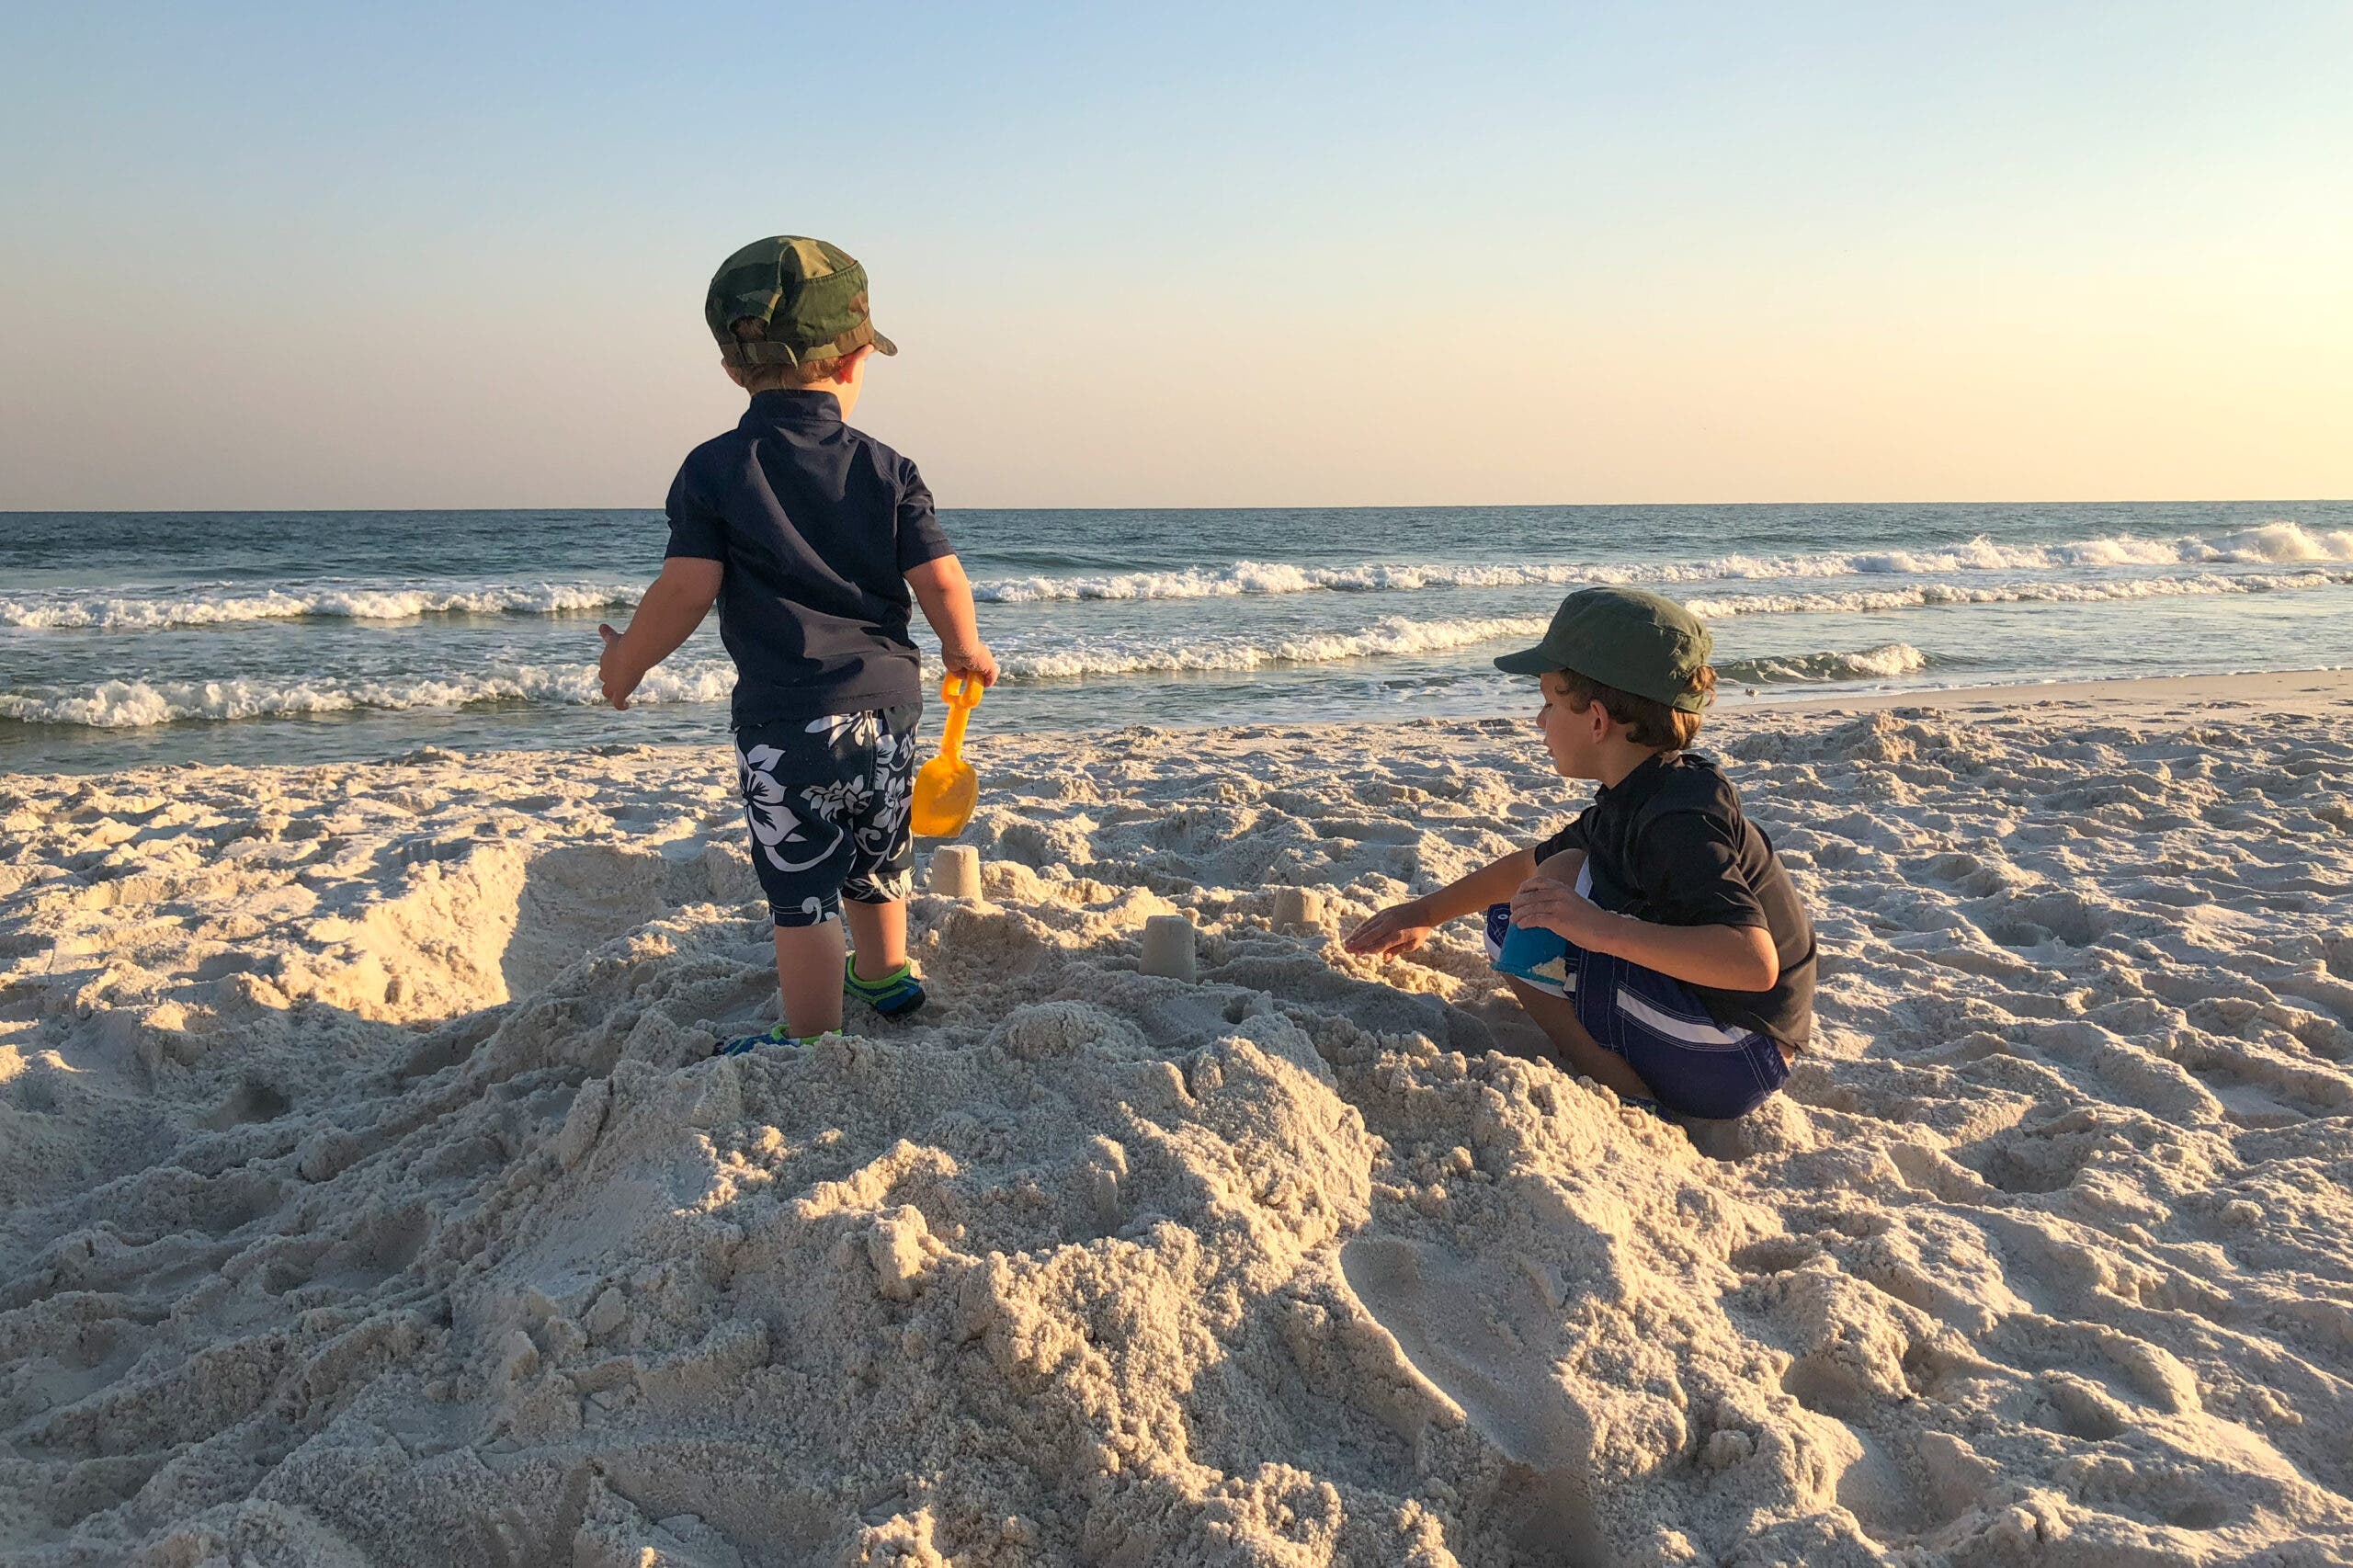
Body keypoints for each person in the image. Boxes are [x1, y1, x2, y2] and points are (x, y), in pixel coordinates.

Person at [596, 235, 997, 1053]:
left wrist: (625, 662)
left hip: (786, 723)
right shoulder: (889, 469)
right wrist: (966, 647)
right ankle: (884, 976)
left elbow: (685, 589)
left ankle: (811, 1035)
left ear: (732, 369)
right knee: (880, 853)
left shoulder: (714, 469)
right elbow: (943, 579)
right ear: (852, 361)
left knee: (801, 890)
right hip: (890, 710)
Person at [1345, 587, 1813, 1119]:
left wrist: (1599, 931)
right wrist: (1423, 913)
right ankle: (1631, 1077)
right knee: (1543, 885)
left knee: (1512, 931)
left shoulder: (1678, 819)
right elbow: (1529, 864)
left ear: (1596, 720)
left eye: (1548, 703)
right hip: (1726, 1039)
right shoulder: (1645, 792)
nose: (1539, 721)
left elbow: (1753, 963)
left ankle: (1625, 1091)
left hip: (1733, 1052)